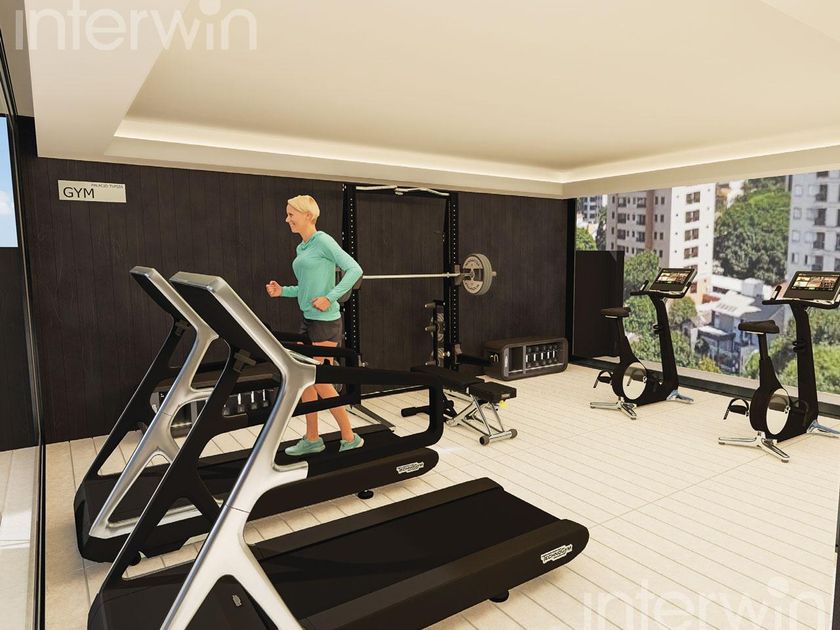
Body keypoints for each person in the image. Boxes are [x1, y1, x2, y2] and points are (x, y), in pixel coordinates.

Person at [266, 195, 365, 456]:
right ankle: (312, 438)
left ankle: (350, 436)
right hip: (308, 320)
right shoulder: (303, 247)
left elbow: (355, 270)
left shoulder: (323, 241)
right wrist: (283, 291)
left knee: (321, 381)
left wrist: (330, 297)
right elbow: (306, 288)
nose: (287, 219)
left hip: (326, 323)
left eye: (291, 214)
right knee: (305, 380)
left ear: (308, 215)